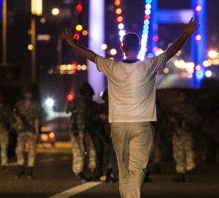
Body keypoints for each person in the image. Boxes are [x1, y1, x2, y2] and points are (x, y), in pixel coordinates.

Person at [64, 17, 198, 198]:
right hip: (141, 125)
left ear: (122, 47)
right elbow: (170, 51)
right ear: (140, 46)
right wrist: (185, 35)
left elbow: (91, 55)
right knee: (137, 171)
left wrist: (73, 45)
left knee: (124, 170)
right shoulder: (148, 65)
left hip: (118, 125)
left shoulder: (112, 66)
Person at [66, 82, 102, 182]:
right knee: (81, 151)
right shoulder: (81, 103)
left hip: (85, 130)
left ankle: (89, 170)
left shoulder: (79, 103)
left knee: (88, 150)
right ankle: (82, 171)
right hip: (78, 130)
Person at [169, 91, 198, 182]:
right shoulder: (175, 108)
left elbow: (195, 120)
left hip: (187, 133)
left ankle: (190, 171)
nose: (182, 98)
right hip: (178, 133)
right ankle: (180, 172)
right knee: (178, 154)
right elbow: (171, 120)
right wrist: (173, 122)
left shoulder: (190, 109)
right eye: (180, 96)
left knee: (189, 153)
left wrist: (187, 122)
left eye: (183, 96)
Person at [13, 85, 42, 179]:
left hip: (31, 131)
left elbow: (37, 119)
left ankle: (30, 170)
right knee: (19, 150)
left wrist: (37, 133)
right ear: (24, 94)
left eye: (30, 93)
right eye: (27, 93)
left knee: (32, 151)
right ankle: (20, 168)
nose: (29, 95)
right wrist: (17, 120)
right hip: (21, 131)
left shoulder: (36, 106)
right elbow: (15, 114)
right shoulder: (19, 104)